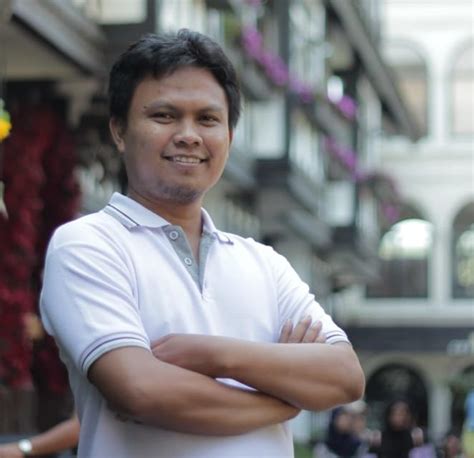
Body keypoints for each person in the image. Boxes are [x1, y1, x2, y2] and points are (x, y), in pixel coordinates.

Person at [39, 29, 365, 458]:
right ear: (119, 130)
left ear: (230, 136)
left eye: (208, 119)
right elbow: (141, 390)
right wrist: (285, 397)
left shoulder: (265, 263)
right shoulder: (88, 245)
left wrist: (215, 355)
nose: (188, 135)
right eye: (164, 116)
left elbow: (345, 376)